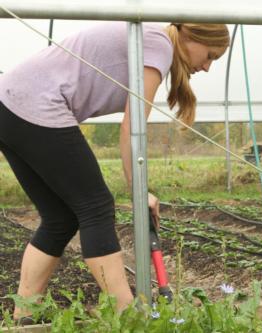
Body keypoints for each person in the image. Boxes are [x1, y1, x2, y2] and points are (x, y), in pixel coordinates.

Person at [0, 22, 229, 320]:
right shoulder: (159, 44)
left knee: (60, 218)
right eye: (210, 55)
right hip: (36, 103)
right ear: (191, 37)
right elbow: (132, 125)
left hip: (11, 104)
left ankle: (23, 316)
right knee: (96, 207)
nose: (208, 67)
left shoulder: (151, 39)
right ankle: (129, 316)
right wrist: (138, 188)